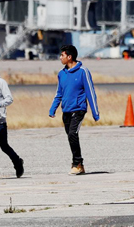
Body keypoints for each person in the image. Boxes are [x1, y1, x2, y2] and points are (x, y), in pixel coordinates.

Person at [49, 45, 100, 175]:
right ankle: (80, 165)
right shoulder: (61, 73)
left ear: (69, 57)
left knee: (72, 134)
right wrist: (53, 108)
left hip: (78, 110)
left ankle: (76, 163)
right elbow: (59, 93)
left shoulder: (83, 71)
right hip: (66, 111)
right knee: (71, 137)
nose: (60, 57)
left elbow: (91, 92)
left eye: (62, 55)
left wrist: (95, 112)